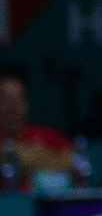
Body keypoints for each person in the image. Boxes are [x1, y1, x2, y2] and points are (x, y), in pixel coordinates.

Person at [0, 63, 74, 192]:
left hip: (41, 202)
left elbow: (75, 163)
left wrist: (28, 157)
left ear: (27, 104)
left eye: (18, 99)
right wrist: (47, 158)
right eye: (5, 99)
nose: (12, 105)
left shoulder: (47, 134)